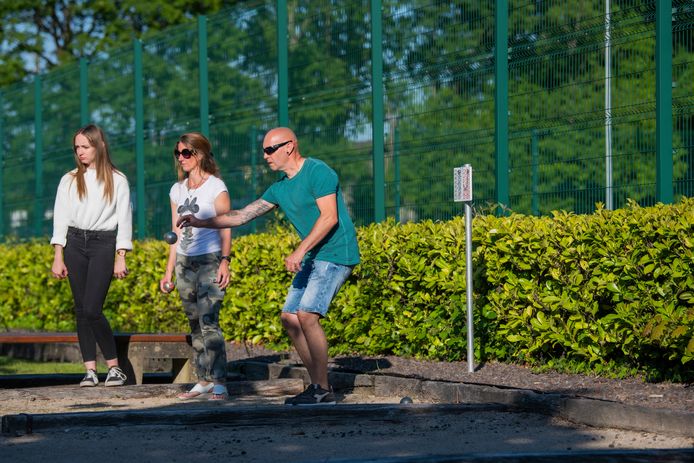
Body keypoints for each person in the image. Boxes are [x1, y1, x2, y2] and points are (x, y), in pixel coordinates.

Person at [178, 127, 360, 405]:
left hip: (336, 254)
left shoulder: (318, 172)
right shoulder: (279, 188)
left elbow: (329, 218)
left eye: (270, 150)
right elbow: (241, 216)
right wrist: (202, 222)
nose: (265, 156)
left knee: (307, 315)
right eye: (263, 151)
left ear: (290, 146)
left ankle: (323, 389)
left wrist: (299, 250)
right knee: (290, 318)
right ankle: (318, 387)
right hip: (313, 257)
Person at [50, 124, 132, 387]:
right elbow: (60, 218)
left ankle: (115, 368)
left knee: (93, 308)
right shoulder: (70, 179)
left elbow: (125, 220)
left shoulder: (118, 180)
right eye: (77, 147)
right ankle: (90, 371)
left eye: (85, 146)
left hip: (103, 244)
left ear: (99, 146)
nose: (80, 152)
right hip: (74, 243)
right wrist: (58, 254)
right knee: (81, 310)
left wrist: (121, 255)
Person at [161, 132, 231, 401]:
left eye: (186, 153)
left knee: (209, 320)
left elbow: (226, 227)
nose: (181, 158)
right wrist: (168, 270)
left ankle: (219, 381)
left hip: (210, 258)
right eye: (177, 153)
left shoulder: (216, 187)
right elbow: (173, 233)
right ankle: (202, 380)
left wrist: (225, 261)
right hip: (184, 262)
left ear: (199, 154)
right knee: (194, 322)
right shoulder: (177, 190)